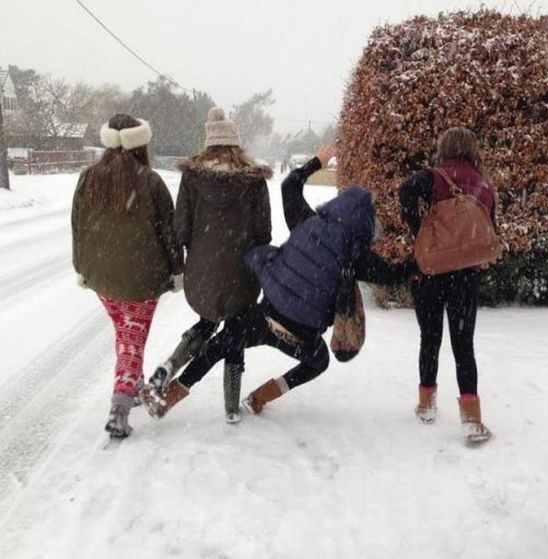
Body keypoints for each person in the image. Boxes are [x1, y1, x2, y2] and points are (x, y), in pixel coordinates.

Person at [143, 146, 414, 419]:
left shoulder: (306, 221)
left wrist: (316, 162)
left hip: (266, 318)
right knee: (319, 362)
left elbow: (289, 185)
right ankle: (263, 395)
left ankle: (169, 397)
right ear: (365, 225)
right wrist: (421, 251)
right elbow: (395, 274)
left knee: (220, 344)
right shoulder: (357, 255)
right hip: (301, 337)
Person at [147, 107, 272, 423]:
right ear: (235, 143)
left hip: (202, 272)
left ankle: (171, 364)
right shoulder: (254, 180)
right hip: (242, 274)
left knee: (206, 323)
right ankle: (231, 406)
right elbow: (264, 233)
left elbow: (181, 229)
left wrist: (199, 253)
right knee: (235, 331)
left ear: (208, 143)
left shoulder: (192, 178)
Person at [71, 114, 183, 439]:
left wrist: (81, 267)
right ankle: (119, 410)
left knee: (126, 334)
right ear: (140, 144)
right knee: (132, 339)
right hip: (142, 280)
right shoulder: (151, 182)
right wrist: (177, 270)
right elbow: (170, 234)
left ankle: (133, 385)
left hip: (101, 277)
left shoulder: (88, 178)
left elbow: (78, 227)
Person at [398, 127, 497, 445]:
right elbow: (489, 229)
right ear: (472, 150)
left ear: (445, 148)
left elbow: (405, 191)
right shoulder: (484, 186)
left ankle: (426, 405)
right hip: (465, 276)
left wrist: (418, 228)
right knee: (463, 345)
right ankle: (471, 419)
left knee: (430, 339)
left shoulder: (433, 178)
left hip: (430, 271)